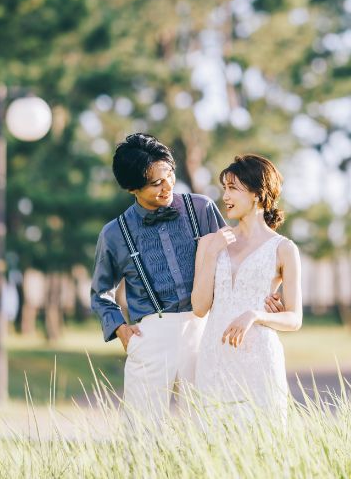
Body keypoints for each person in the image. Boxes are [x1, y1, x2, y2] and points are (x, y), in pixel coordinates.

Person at [89, 134, 282, 425]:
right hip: (151, 335)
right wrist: (119, 328)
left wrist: (266, 294)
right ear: (132, 188)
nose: (167, 186)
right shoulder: (114, 233)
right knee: (143, 430)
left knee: (207, 423)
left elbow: (234, 261)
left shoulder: (202, 208)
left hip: (205, 330)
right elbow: (100, 292)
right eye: (156, 183)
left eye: (169, 175)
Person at [192, 154, 302, 426]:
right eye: (224, 188)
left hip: (259, 359)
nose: (225, 196)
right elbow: (199, 306)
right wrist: (212, 253)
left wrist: (255, 314)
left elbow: (294, 319)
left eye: (233, 188)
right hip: (214, 357)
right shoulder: (209, 242)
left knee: (262, 445)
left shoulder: (284, 249)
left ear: (256, 194)